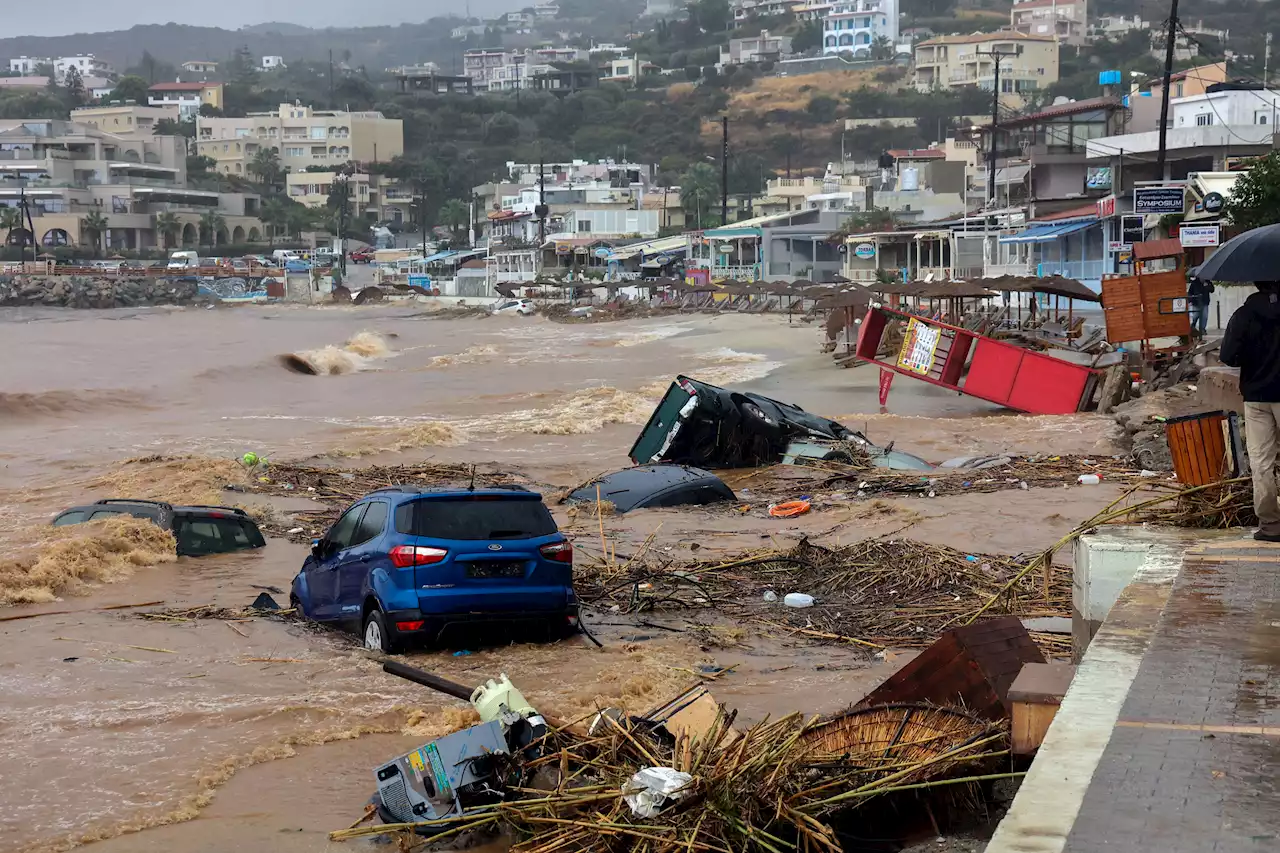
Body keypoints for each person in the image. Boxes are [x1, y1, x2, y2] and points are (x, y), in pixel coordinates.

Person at [1221, 281, 1280, 541]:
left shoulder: (1244, 314)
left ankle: (1270, 525)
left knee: (1261, 463)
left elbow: (1228, 356)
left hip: (1256, 398)